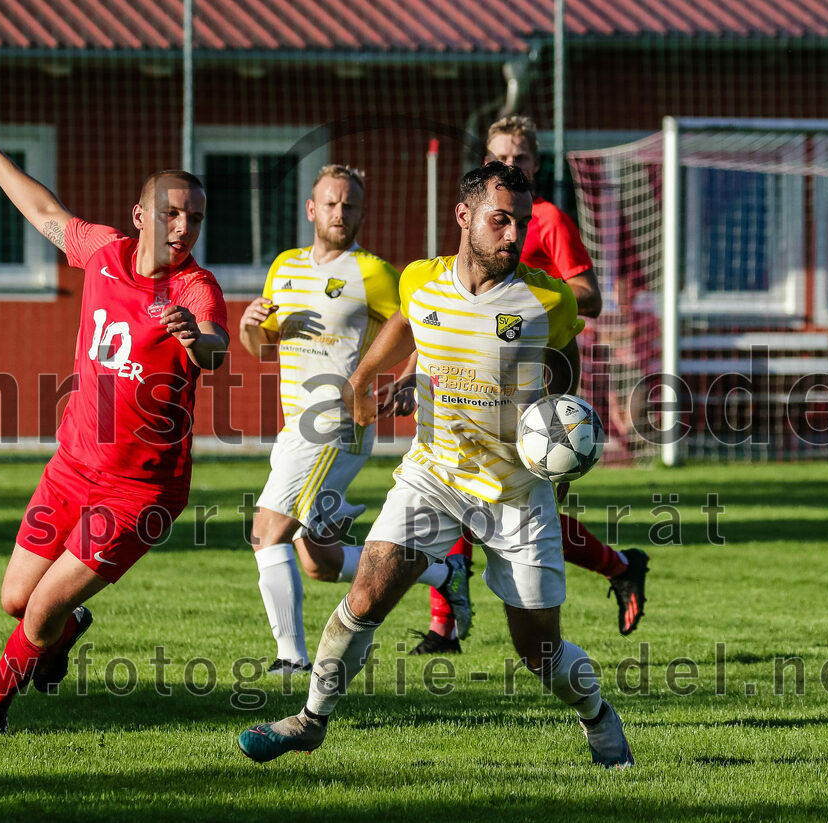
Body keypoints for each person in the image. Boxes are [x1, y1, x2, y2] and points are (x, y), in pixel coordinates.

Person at [237, 162, 634, 769]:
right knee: (366, 596)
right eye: (500, 221)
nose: (512, 236)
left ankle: (597, 715)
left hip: (515, 491)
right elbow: (407, 322)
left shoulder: (543, 298)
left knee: (540, 652)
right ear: (464, 217)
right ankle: (310, 719)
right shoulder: (423, 279)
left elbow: (566, 351)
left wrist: (561, 426)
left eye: (521, 224)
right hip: (434, 475)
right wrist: (366, 378)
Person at [0, 113, 229, 735]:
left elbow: (215, 343)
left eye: (196, 218)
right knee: (18, 602)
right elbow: (44, 210)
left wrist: (197, 339)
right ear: (139, 216)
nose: (184, 228)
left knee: (43, 606)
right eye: (172, 214)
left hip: (142, 491)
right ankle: (64, 631)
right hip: (72, 469)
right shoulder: (103, 252)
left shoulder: (195, 287)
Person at [411, 115, 649, 654]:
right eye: (500, 159)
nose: (510, 166)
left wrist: (533, 295)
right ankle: (444, 625)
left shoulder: (545, 220)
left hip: (535, 385)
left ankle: (618, 566)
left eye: (519, 158)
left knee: (529, 512)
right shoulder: (480, 226)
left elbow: (587, 296)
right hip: (471, 378)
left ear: (535, 165)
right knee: (456, 485)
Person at [239, 164, 472, 676]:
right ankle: (441, 570)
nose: (340, 213)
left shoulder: (373, 272)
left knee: (266, 532)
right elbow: (262, 346)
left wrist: (410, 377)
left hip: (332, 422)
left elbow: (420, 325)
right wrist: (248, 325)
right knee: (317, 561)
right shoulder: (285, 266)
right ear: (311, 209)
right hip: (293, 423)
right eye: (330, 203)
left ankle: (291, 661)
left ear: (363, 212)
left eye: (350, 205)